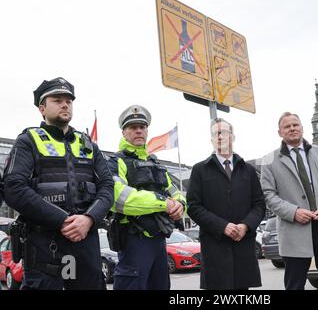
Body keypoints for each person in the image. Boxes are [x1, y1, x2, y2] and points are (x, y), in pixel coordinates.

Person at [3, 77, 114, 290]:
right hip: (45, 243)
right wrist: (63, 220)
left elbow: (108, 187)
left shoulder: (89, 144)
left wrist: (89, 219)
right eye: (57, 100)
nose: (65, 104)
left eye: (69, 101)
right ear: (42, 108)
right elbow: (14, 188)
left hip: (85, 241)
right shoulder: (28, 141)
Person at [260, 112, 318, 290]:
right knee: (295, 284)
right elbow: (268, 195)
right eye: (287, 126)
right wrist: (293, 212)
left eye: (295, 125)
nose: (292, 128)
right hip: (294, 230)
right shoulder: (269, 160)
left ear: (302, 128)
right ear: (279, 132)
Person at [107, 105, 185, 290]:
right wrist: (163, 203)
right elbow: (120, 199)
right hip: (134, 241)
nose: (139, 130)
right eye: (133, 127)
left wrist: (180, 205)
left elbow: (175, 192)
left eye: (142, 126)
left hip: (159, 240)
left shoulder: (156, 164)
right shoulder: (115, 162)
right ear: (124, 132)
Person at [186, 118, 266, 290]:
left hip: (243, 246)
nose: (220, 136)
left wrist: (245, 225)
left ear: (233, 137)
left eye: (224, 132)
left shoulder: (248, 170)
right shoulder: (200, 170)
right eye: (216, 133)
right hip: (215, 247)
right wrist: (223, 226)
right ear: (211, 140)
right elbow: (193, 206)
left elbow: (259, 204)